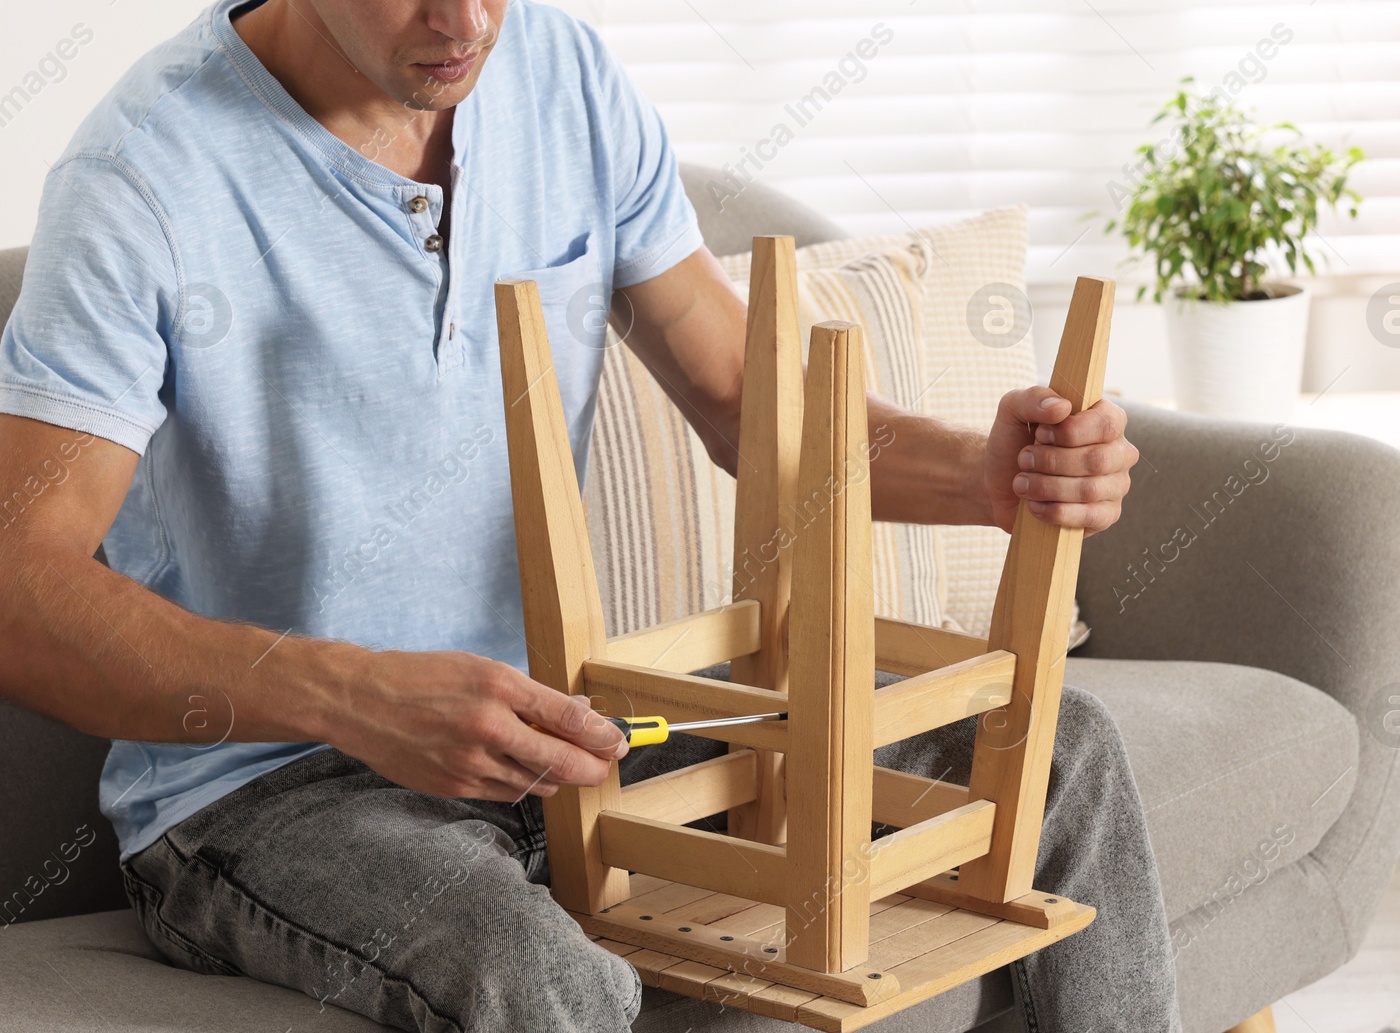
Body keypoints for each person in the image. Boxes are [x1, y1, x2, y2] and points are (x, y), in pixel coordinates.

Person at [0, 1, 1179, 1029]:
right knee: (538, 976)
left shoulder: (562, 76)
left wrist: (980, 473)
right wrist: (359, 691)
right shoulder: (143, 173)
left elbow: (736, 399)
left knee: (1056, 752)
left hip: (571, 730)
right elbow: (19, 583)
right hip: (275, 790)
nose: (465, 25)